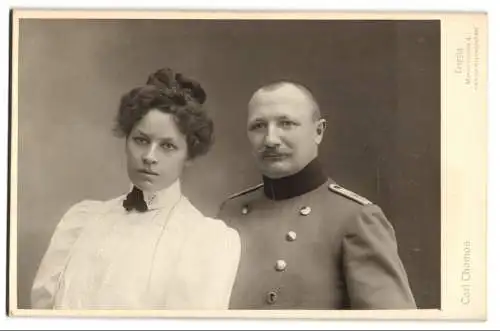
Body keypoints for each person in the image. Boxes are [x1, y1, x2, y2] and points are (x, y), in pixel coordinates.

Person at [31, 68, 240, 310]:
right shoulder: (82, 221)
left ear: (189, 155)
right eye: (141, 140)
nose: (150, 157)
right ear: (127, 140)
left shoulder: (204, 241)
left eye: (168, 146)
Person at [217, 81, 417, 310]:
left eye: (286, 123)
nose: (270, 139)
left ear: (318, 131)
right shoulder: (230, 212)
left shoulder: (355, 218)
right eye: (259, 126)